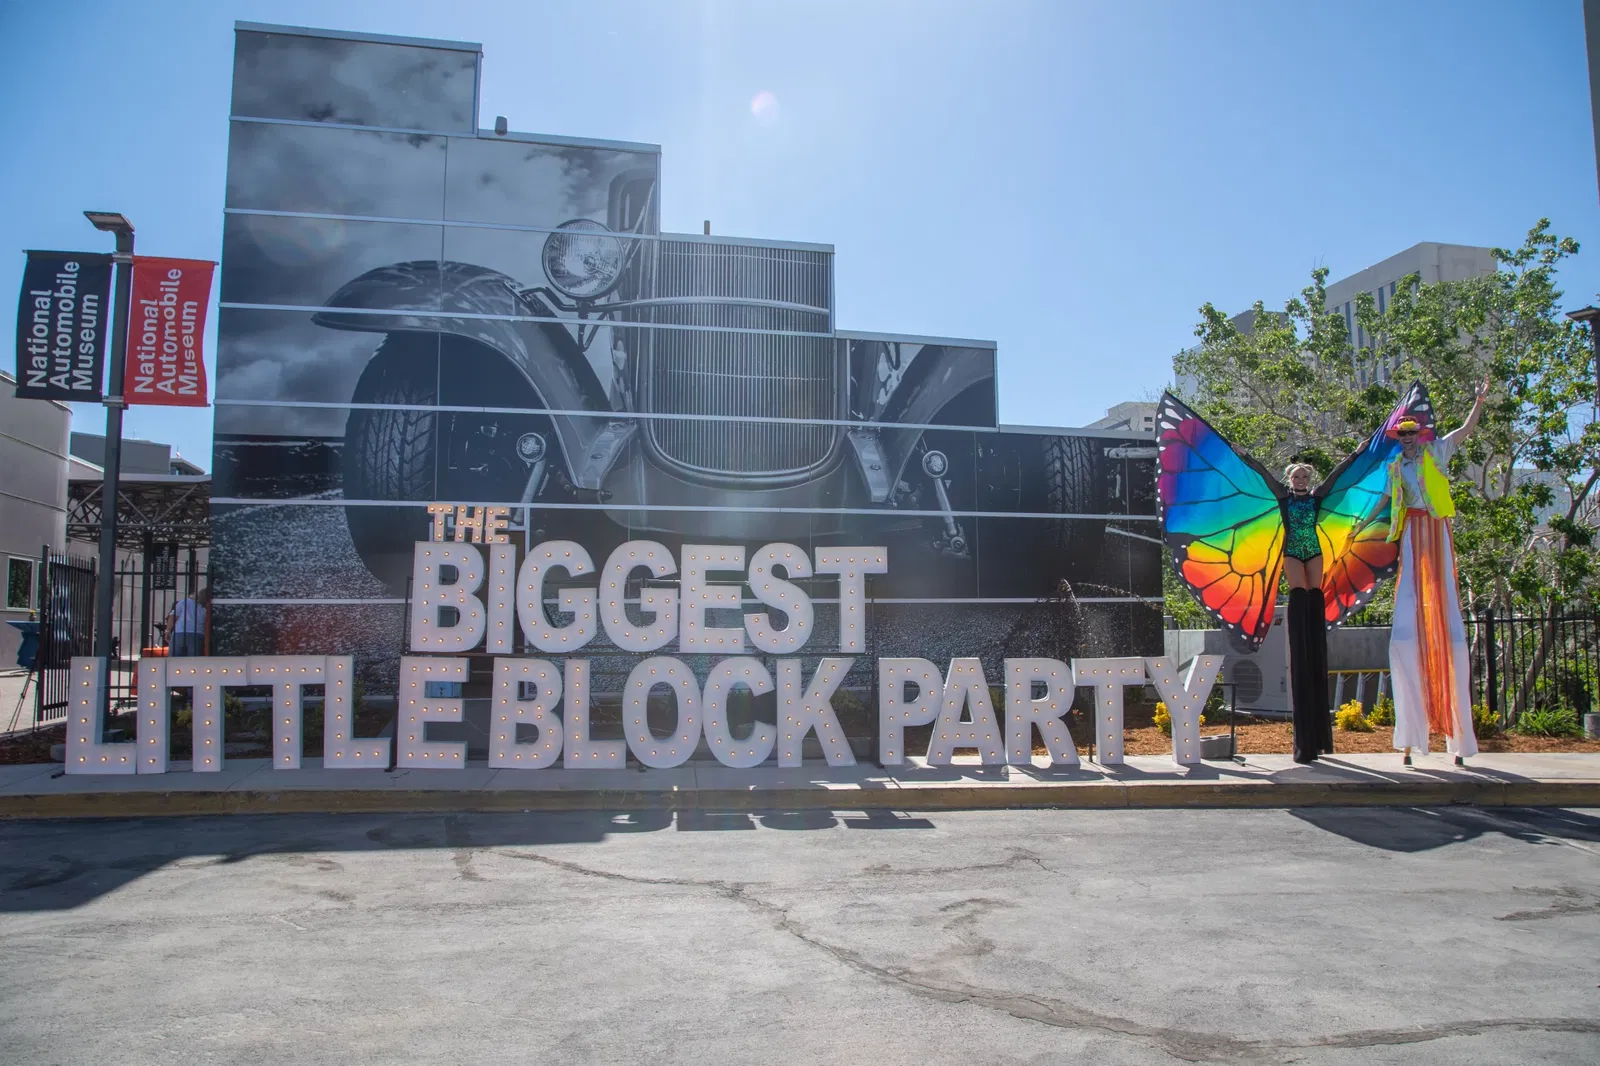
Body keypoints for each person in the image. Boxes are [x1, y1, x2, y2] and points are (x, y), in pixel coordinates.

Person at [1352, 377, 1489, 766]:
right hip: (1412, 530)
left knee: (1444, 598)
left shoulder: (1435, 452)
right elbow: (1382, 500)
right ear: (1399, 438)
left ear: (1419, 434)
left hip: (1436, 527)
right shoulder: (1396, 466)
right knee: (1409, 600)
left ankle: (1457, 739)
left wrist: (1477, 402)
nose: (1408, 438)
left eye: (1412, 433)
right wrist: (1360, 527)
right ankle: (1411, 739)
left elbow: (1464, 432)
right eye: (1403, 434)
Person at [1281, 462, 1333, 763]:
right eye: (1296, 476)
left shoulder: (1315, 499)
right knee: (1299, 594)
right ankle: (1304, 742)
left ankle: (1321, 736)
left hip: (1313, 550)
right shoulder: (1284, 500)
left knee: (1314, 597)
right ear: (1290, 479)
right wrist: (1245, 454)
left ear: (1309, 479)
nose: (1300, 480)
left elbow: (1338, 474)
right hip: (1292, 552)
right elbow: (1261, 474)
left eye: (1305, 476)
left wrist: (1358, 451)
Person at [165, 586, 210, 658]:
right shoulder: (206, 607)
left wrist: (168, 630)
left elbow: (173, 617)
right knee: (193, 662)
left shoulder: (184, 602)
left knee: (174, 660)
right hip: (197, 635)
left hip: (179, 633)